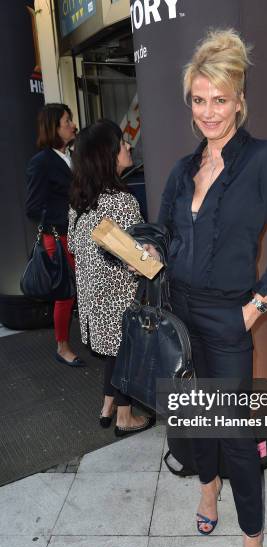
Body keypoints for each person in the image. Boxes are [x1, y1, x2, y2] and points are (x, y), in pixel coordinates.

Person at [158, 29, 267, 547]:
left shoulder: (264, 160)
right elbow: (168, 237)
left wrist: (255, 307)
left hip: (229, 318)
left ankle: (252, 539)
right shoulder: (181, 168)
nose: (209, 111)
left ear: (240, 99)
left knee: (238, 435)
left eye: (220, 98)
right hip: (180, 313)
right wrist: (147, 251)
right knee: (193, 420)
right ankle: (206, 486)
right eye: (199, 100)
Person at [68, 119, 154, 437]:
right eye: (122, 143)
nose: (128, 147)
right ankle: (124, 417)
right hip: (119, 299)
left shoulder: (80, 201)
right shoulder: (121, 202)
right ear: (108, 154)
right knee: (126, 354)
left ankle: (107, 407)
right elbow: (139, 261)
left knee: (112, 352)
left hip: (93, 301)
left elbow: (75, 246)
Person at [26, 103, 85, 366]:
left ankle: (88, 337)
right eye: (66, 121)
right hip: (58, 238)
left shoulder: (73, 156)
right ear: (54, 128)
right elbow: (33, 208)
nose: (73, 125)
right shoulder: (41, 162)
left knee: (81, 289)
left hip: (79, 234)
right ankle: (62, 346)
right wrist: (58, 223)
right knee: (66, 293)